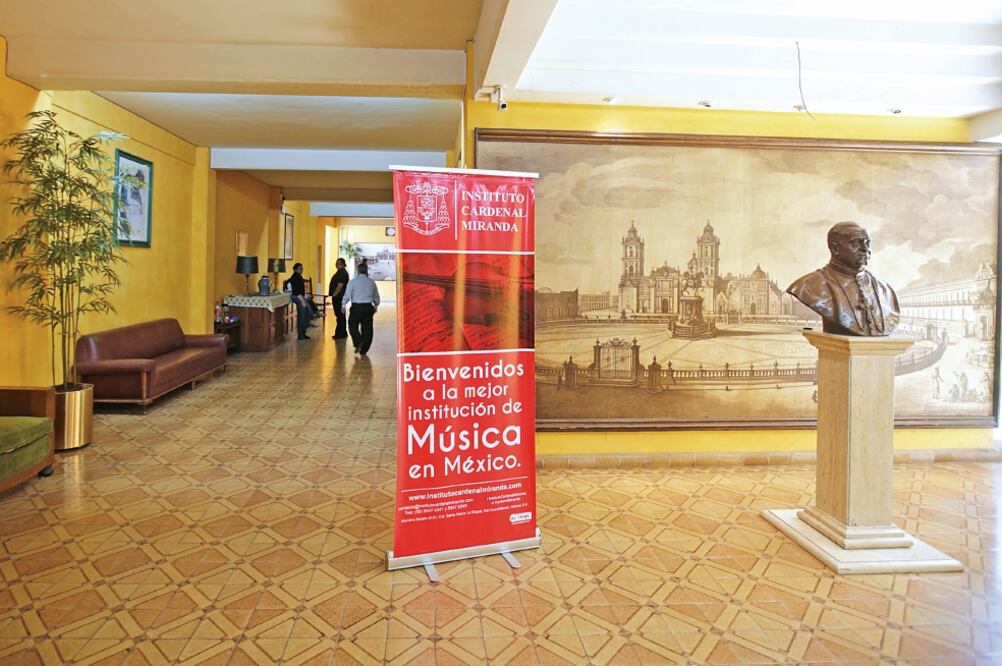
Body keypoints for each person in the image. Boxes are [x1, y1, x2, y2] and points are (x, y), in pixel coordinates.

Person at [786, 222, 900, 336]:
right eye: (855, 243)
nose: (865, 249)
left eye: (867, 243)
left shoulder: (885, 291)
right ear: (834, 248)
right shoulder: (808, 286)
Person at [342, 262, 380, 355]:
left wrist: (343, 305)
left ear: (358, 271)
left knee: (352, 326)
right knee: (367, 329)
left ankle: (358, 341)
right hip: (368, 307)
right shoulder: (371, 282)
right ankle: (364, 349)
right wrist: (375, 306)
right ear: (366, 271)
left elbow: (347, 295)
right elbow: (376, 296)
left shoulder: (353, 282)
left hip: (356, 307)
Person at [327, 257, 349, 340]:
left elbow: (340, 285)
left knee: (340, 315)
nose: (336, 265)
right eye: (336, 263)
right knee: (340, 315)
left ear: (343, 264)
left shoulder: (342, 273)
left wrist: (334, 295)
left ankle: (340, 334)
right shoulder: (340, 272)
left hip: (339, 297)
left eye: (338, 263)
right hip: (339, 297)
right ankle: (343, 332)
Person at [288, 262, 311, 340]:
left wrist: (305, 296)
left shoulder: (299, 276)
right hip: (298, 298)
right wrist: (302, 301)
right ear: (295, 270)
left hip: (301, 297)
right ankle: (301, 334)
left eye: (302, 268)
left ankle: (303, 331)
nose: (302, 270)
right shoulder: (295, 277)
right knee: (302, 316)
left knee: (309, 314)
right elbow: (296, 292)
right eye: (300, 268)